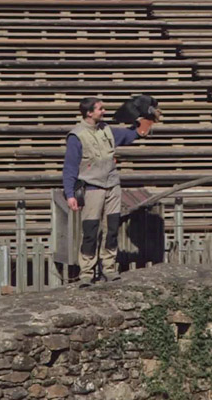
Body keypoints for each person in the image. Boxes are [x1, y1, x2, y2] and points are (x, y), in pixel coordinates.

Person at [62, 97, 156, 285]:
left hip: (112, 186)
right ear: (89, 113)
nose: (104, 111)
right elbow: (70, 167)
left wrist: (146, 119)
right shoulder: (76, 136)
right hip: (91, 188)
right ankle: (87, 273)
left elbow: (131, 135)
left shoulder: (107, 130)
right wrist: (70, 194)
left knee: (112, 229)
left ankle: (109, 268)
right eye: (100, 109)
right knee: (90, 231)